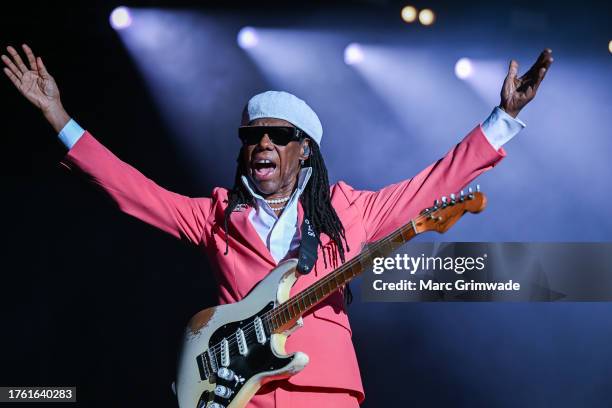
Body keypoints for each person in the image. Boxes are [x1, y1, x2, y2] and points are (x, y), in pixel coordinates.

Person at [2, 43, 553, 407]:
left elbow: (434, 183)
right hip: (237, 393)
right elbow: (132, 192)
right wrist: (61, 120)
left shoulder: (346, 211)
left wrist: (500, 120)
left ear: (305, 152)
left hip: (326, 388)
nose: (262, 144)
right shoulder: (215, 215)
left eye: (278, 136)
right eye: (251, 137)